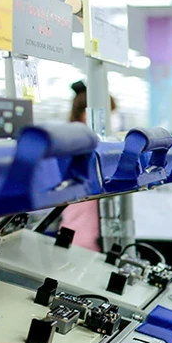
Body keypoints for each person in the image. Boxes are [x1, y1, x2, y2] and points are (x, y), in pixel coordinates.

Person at [60, 80, 116, 252]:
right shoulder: (78, 147)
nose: (111, 121)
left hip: (80, 233)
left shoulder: (83, 144)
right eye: (109, 115)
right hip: (81, 238)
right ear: (88, 115)